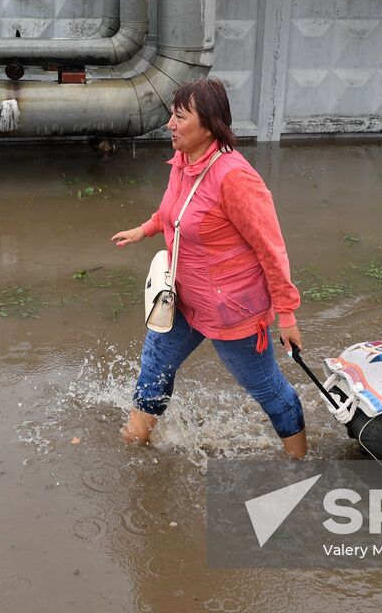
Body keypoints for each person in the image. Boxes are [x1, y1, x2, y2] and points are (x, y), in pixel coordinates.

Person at [110, 78, 307, 458]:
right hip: (183, 299)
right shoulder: (182, 162)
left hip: (233, 311)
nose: (170, 124)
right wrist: (147, 228)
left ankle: (299, 460)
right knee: (154, 369)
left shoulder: (235, 178)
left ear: (209, 125)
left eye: (180, 117)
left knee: (267, 390)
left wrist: (286, 314)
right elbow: (177, 212)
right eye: (171, 114)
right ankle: (131, 451)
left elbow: (271, 249)